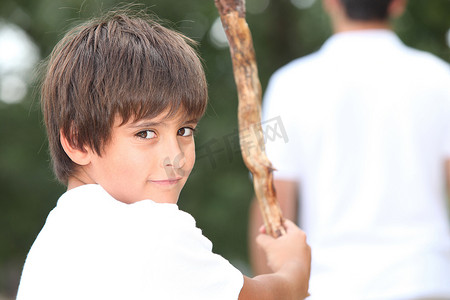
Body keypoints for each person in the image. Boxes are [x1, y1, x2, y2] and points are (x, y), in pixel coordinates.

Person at [15, 10, 311, 300]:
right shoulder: (151, 233)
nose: (175, 157)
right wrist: (293, 265)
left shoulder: (53, 242)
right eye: (145, 134)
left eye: (184, 130)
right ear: (78, 142)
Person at [249, 0, 450, 299]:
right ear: (398, 4)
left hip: (330, 285)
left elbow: (273, 201)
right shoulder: (439, 78)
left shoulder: (291, 85)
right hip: (426, 278)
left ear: (330, 3)